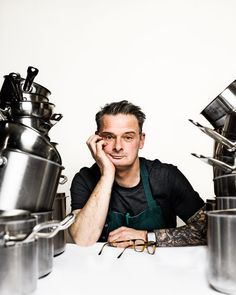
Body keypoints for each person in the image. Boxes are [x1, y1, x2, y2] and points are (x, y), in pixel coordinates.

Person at [69, 100, 206, 248]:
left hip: (160, 267)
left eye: (128, 137)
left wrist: (147, 237)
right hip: (105, 268)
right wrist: (107, 174)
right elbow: (82, 239)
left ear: (141, 140)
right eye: (109, 137)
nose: (118, 147)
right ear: (97, 140)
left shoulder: (165, 176)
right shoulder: (84, 179)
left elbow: (208, 229)